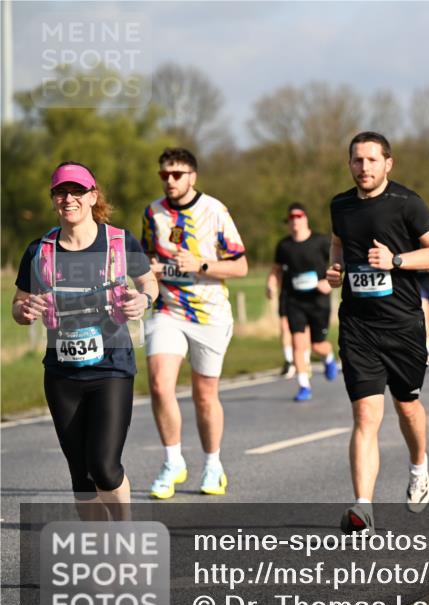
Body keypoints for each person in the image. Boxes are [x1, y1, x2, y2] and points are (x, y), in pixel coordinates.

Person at [12, 162, 158, 520]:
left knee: (104, 467)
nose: (69, 199)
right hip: (62, 374)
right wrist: (24, 309)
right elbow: (18, 305)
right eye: (61, 192)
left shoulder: (121, 242)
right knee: (81, 476)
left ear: (93, 196)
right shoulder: (39, 250)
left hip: (111, 367)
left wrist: (144, 300)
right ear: (53, 200)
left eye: (77, 191)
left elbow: (148, 282)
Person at [326, 131, 429, 533]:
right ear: (350, 164)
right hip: (358, 325)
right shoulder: (340, 205)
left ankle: (419, 466)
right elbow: (339, 243)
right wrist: (335, 269)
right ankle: (363, 508)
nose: (364, 168)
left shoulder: (407, 203)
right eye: (357, 161)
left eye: (372, 160)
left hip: (402, 324)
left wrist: (395, 259)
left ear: (388, 163)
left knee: (407, 406)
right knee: (365, 413)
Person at [143, 147, 248, 499]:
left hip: (210, 314)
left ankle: (213, 464)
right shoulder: (153, 213)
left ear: (193, 176)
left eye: (177, 174)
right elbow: (145, 260)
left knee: (205, 396)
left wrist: (200, 264)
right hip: (168, 310)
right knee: (160, 384)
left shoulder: (215, 211)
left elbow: (240, 266)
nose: (170, 181)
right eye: (164, 175)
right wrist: (148, 272)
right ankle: (173, 461)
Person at [267, 202, 337, 401]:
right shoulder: (284, 246)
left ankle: (328, 357)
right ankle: (304, 386)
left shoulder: (321, 241)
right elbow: (276, 270)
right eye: (291, 218)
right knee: (298, 344)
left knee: (317, 345)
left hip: (318, 300)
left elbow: (338, 264)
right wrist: (271, 285)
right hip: (294, 300)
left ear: (306, 218)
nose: (295, 221)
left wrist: (329, 282)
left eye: (298, 217)